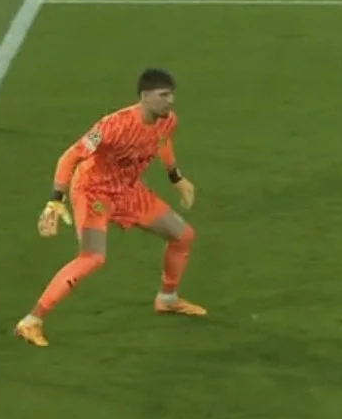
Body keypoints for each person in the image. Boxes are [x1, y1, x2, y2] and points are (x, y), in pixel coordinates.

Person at [15, 68, 203, 346]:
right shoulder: (113, 126)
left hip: (128, 190)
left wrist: (176, 178)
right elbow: (70, 157)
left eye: (171, 95)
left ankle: (167, 298)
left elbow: (162, 141)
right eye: (163, 95)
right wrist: (55, 199)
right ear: (145, 96)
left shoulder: (167, 121)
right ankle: (31, 321)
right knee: (92, 257)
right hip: (94, 192)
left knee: (183, 236)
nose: (170, 101)